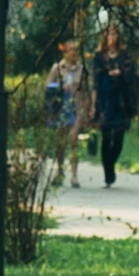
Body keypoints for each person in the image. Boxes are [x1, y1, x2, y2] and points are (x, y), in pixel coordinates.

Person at [88, 27, 139, 187]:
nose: (111, 37)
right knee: (106, 137)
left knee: (118, 138)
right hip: (105, 101)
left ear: (118, 36)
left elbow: (133, 77)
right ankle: (108, 175)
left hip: (120, 101)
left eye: (114, 33)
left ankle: (110, 165)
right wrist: (93, 105)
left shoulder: (125, 56)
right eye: (109, 34)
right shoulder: (99, 57)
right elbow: (95, 82)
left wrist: (121, 74)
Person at [44, 40, 86, 186]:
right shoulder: (57, 68)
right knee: (61, 143)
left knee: (73, 140)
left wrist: (87, 110)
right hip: (60, 109)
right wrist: (60, 88)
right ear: (65, 52)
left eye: (75, 51)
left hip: (76, 109)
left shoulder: (82, 69)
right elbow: (48, 88)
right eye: (70, 50)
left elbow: (85, 91)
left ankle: (74, 176)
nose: (73, 54)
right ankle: (59, 172)